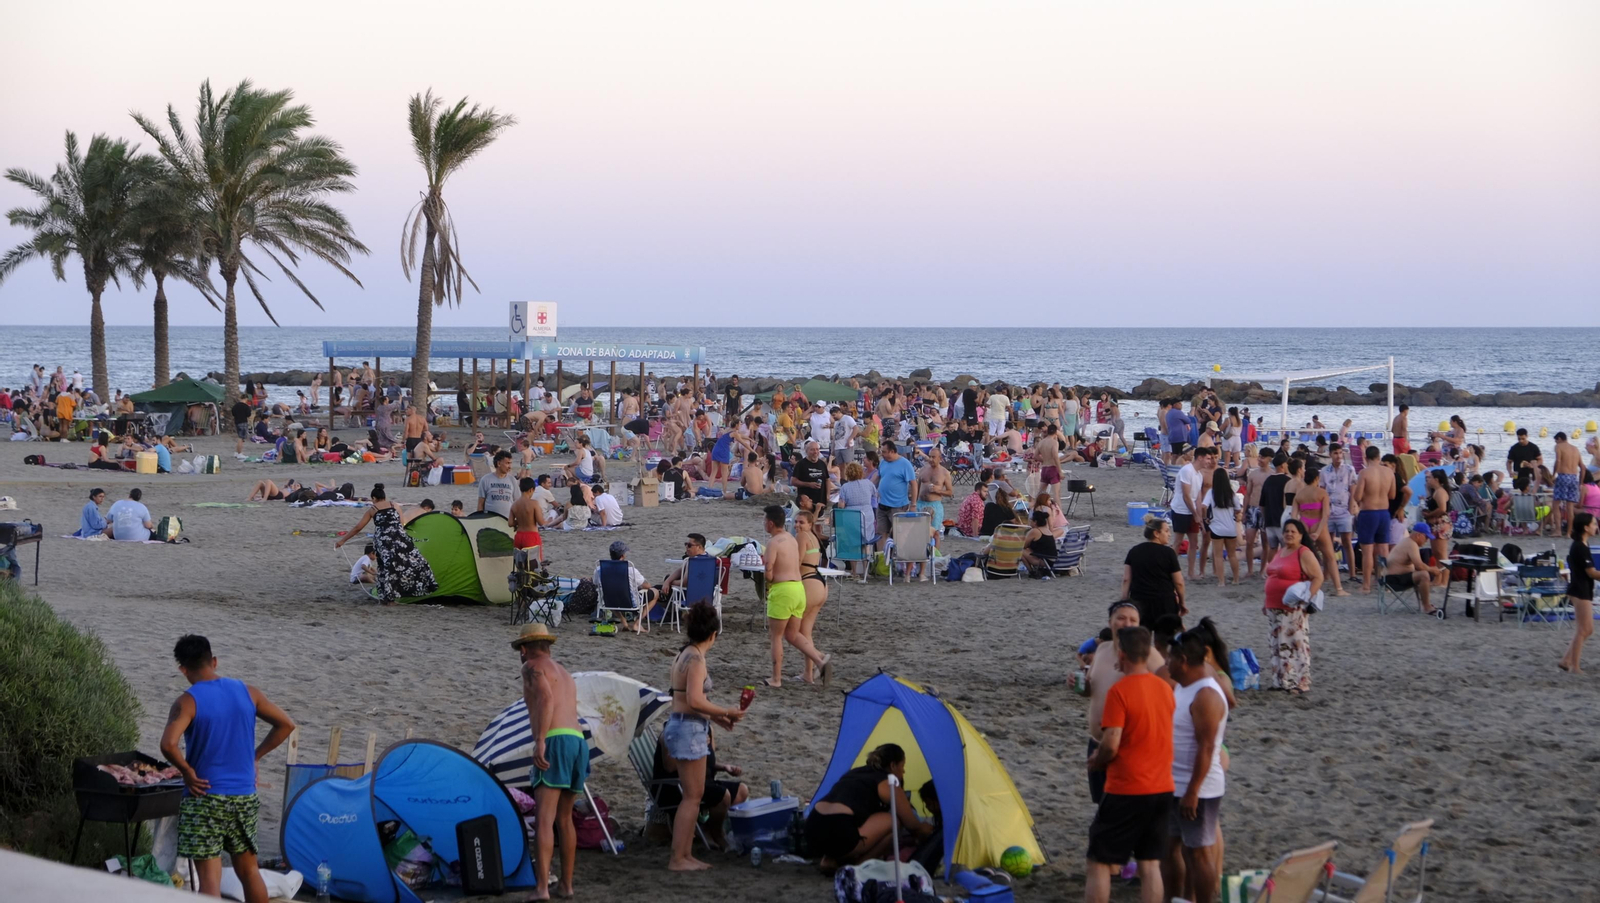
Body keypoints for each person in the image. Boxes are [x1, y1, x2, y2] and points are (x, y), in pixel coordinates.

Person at [159, 635, 294, 903]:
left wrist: (186, 771)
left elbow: (168, 744)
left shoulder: (187, 701)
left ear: (183, 669)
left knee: (209, 879)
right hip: (244, 795)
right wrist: (255, 756)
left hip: (205, 796)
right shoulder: (248, 692)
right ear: (214, 661)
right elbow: (286, 725)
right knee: (250, 871)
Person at [1085, 626, 1174, 903]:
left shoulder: (1119, 691)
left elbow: (1111, 742)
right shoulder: (1164, 688)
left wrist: (1097, 760)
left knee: (1099, 862)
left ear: (1121, 654)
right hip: (1161, 787)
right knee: (1150, 864)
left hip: (1128, 788)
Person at [664, 602, 745, 870]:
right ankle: (678, 858)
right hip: (688, 729)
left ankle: (685, 855)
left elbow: (684, 699)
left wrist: (718, 719)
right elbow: (695, 700)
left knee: (693, 796)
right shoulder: (697, 660)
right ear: (713, 634)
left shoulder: (683, 653)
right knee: (692, 797)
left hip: (682, 724)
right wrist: (726, 711)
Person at [513, 624, 584, 899]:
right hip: (577, 741)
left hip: (555, 740)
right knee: (565, 819)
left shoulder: (531, 667)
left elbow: (545, 698)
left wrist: (540, 740)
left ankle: (542, 888)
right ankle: (567, 885)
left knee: (544, 819)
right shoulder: (563, 672)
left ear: (524, 648)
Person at [1162, 630, 1229, 903]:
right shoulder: (1184, 685)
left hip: (1197, 789)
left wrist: (1193, 791)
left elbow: (1207, 747)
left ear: (1184, 661)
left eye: (1170, 659)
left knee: (1199, 853)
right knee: (1170, 848)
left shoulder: (1206, 695)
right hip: (1172, 783)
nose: (1166, 664)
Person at [805, 743, 935, 872]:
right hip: (841, 834)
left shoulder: (854, 773)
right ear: (893, 765)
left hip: (813, 829)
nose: (903, 771)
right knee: (894, 823)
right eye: (902, 766)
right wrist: (928, 830)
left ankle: (829, 859)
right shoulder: (888, 782)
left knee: (848, 823)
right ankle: (858, 866)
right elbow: (912, 825)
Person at [334, 484, 439, 604]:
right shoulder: (395, 505)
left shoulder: (373, 509)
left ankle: (388, 598)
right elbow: (401, 524)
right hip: (400, 539)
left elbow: (358, 528)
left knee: (387, 568)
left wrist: (342, 540)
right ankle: (426, 586)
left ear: (374, 498)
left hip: (384, 542)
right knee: (416, 561)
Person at [761, 505, 830, 688]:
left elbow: (768, 572)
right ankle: (819, 661)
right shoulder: (792, 539)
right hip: (799, 588)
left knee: (776, 636)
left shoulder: (774, 543)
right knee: (793, 634)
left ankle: (776, 679)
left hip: (785, 589)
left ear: (770, 523)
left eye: (764, 520)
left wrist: (769, 579)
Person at [1264, 519, 1323, 694]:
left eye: (1293, 531)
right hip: (1274, 606)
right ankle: (1281, 681)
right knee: (1277, 645)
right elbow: (1272, 577)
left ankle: (1300, 682)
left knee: (1296, 644)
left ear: (1300, 535)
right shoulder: (1281, 551)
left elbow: (1318, 577)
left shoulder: (1303, 553)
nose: (1289, 534)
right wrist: (1265, 602)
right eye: (1286, 531)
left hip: (1292, 608)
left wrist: (1306, 599)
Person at [1123, 516, 1186, 623]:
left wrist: (1124, 600)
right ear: (1156, 533)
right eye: (1166, 531)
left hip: (1139, 601)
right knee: (1165, 633)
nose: (1169, 534)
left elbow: (1126, 579)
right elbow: (1179, 582)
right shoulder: (1168, 553)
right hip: (1164, 602)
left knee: (1141, 633)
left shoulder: (1134, 551)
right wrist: (1182, 602)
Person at [794, 509, 832, 683]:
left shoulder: (802, 536)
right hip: (820, 584)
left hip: (809, 582)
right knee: (805, 632)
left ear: (810, 524)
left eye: (801, 522)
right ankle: (808, 675)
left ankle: (820, 657)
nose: (797, 525)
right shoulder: (813, 537)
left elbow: (797, 562)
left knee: (794, 631)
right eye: (796, 522)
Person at [1296, 464, 1347, 596]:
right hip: (1318, 524)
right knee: (1330, 557)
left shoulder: (1299, 494)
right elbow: (1325, 515)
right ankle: (1339, 589)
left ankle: (1303, 585)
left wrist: (1301, 530)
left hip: (1304, 524)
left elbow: (1294, 516)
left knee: (1302, 557)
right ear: (1317, 479)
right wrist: (1317, 532)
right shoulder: (1322, 493)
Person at [1352, 444, 1397, 593]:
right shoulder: (1389, 472)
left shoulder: (1364, 473)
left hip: (1368, 512)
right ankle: (1385, 583)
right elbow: (1392, 495)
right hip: (1384, 513)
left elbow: (1357, 496)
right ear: (1379, 457)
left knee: (1367, 551)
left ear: (1366, 458)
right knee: (1383, 550)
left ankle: (1366, 585)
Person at [1560, 513, 1600, 673]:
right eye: (1594, 524)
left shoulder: (1583, 544)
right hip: (1579, 589)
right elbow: (1591, 572)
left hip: (1582, 588)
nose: (1596, 527)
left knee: (1586, 629)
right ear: (1586, 527)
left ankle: (1566, 660)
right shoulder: (1580, 547)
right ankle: (1575, 667)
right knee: (1584, 629)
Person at [1384, 522, 1446, 616]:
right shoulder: (1411, 544)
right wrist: (1432, 569)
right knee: (1424, 575)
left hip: (1390, 578)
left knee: (1421, 573)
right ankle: (1426, 607)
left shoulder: (1407, 541)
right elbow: (1419, 566)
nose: (1426, 541)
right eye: (1426, 537)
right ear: (1418, 535)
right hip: (1394, 580)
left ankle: (1424, 603)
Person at [596, 541, 656, 633]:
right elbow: (647, 586)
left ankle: (624, 621)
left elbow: (595, 583)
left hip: (609, 602)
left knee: (610, 592)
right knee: (655, 593)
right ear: (623, 556)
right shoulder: (631, 570)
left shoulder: (600, 570)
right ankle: (637, 624)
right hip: (630, 603)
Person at [872, 440, 919, 553]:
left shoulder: (905, 464)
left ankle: (899, 557)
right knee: (881, 533)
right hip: (882, 504)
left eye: (884, 452)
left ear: (892, 451)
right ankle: (882, 558)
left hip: (898, 505)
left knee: (900, 534)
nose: (882, 454)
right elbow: (878, 477)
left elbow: (913, 484)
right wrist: (869, 486)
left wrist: (913, 504)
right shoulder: (883, 462)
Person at [1205, 468, 1242, 585]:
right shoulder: (1231, 494)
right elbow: (1238, 509)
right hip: (1230, 528)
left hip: (1217, 528)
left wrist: (1206, 518)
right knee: (1232, 555)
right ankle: (1236, 579)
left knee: (1218, 556)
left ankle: (1221, 581)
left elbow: (1203, 506)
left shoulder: (1211, 492)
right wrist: (1234, 514)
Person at [1553, 432, 1584, 538]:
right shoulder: (1575, 449)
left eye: (1556, 440)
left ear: (1559, 439)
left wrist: (1553, 474)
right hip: (1574, 478)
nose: (1556, 443)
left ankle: (1558, 531)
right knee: (1570, 507)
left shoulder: (1559, 446)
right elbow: (1582, 467)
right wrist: (1581, 482)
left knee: (1556, 504)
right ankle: (1569, 533)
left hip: (1563, 476)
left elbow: (1558, 461)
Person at [509, 477, 545, 561]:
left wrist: (519, 521)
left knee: (520, 563)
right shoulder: (534, 503)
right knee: (535, 562)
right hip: (531, 536)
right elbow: (541, 522)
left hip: (519, 536)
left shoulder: (514, 504)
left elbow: (510, 523)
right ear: (531, 489)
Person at [792, 439, 830, 514]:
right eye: (812, 450)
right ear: (806, 451)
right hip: (806, 503)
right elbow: (793, 481)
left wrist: (828, 495)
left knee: (819, 519)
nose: (815, 452)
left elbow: (827, 479)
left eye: (817, 449)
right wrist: (809, 484)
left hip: (820, 500)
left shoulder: (822, 464)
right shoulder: (801, 464)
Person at [477, 450, 518, 518]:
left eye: (510, 463)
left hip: (507, 520)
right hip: (490, 520)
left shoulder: (512, 480)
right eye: (507, 463)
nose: (510, 466)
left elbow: (517, 502)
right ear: (499, 463)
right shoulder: (485, 480)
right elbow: (480, 504)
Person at [1020, 509, 1057, 578]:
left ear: (1035, 522)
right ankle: (1033, 571)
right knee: (1027, 550)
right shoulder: (1047, 530)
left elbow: (1024, 545)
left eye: (1031, 520)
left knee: (1020, 552)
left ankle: (1031, 572)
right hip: (1052, 560)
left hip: (1045, 561)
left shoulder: (1035, 531)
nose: (1030, 521)